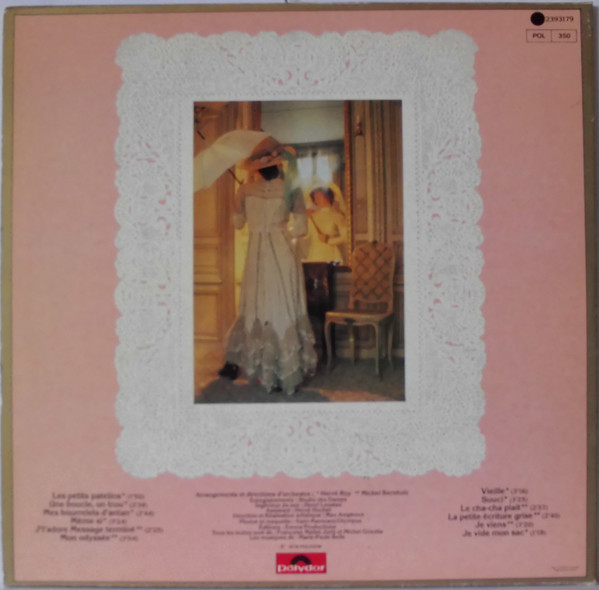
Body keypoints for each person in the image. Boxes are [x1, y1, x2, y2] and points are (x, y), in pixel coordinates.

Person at [218, 135, 317, 395]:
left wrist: (240, 205)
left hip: (257, 256)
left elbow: (238, 224)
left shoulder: (244, 190)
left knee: (259, 308)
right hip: (282, 253)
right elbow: (302, 229)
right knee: (280, 309)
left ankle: (265, 371)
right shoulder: (291, 189)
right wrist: (281, 227)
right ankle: (282, 374)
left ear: (255, 166)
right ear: (278, 163)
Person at [305, 185, 348, 263]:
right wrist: (304, 218)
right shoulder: (312, 217)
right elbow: (305, 235)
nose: (316, 200)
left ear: (328, 196)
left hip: (332, 256)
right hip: (315, 256)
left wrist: (329, 241)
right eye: (315, 198)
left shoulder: (337, 216)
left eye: (318, 197)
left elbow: (346, 237)